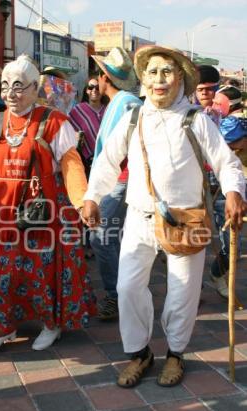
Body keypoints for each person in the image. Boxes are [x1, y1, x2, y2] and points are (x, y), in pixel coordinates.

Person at [82, 45, 247, 388]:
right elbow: (107, 162)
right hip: (139, 220)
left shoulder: (196, 120)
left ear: (181, 79)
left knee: (182, 291)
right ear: (143, 79)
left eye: (167, 72)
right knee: (128, 287)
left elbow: (228, 164)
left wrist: (234, 192)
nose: (160, 80)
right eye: (153, 72)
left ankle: (175, 353)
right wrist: (92, 197)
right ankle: (140, 353)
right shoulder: (133, 116)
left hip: (186, 221)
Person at [0, 55, 96, 356]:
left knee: (43, 270)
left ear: (35, 88)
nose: (10, 93)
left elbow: (71, 164)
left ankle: (50, 324)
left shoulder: (54, 121)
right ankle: (2, 326)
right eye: (5, 85)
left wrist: (83, 202)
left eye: (18, 86)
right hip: (4, 210)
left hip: (44, 211)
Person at [89, 47, 142, 320]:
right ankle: (125, 292)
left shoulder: (124, 102)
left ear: (104, 77)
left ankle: (115, 295)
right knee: (114, 238)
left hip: (120, 178)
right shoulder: (123, 101)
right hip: (121, 177)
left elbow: (113, 150)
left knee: (100, 237)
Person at [209, 85, 247, 296]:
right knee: (231, 246)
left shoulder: (234, 121)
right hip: (225, 190)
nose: (213, 106)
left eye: (217, 102)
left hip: (231, 189)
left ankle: (218, 275)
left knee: (233, 245)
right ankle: (218, 275)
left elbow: (220, 147)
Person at [69, 78, 107, 178]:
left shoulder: (108, 109)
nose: (94, 90)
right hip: (88, 163)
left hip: (108, 160)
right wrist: (75, 136)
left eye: (97, 87)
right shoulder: (78, 110)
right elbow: (67, 131)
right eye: (91, 87)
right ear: (86, 90)